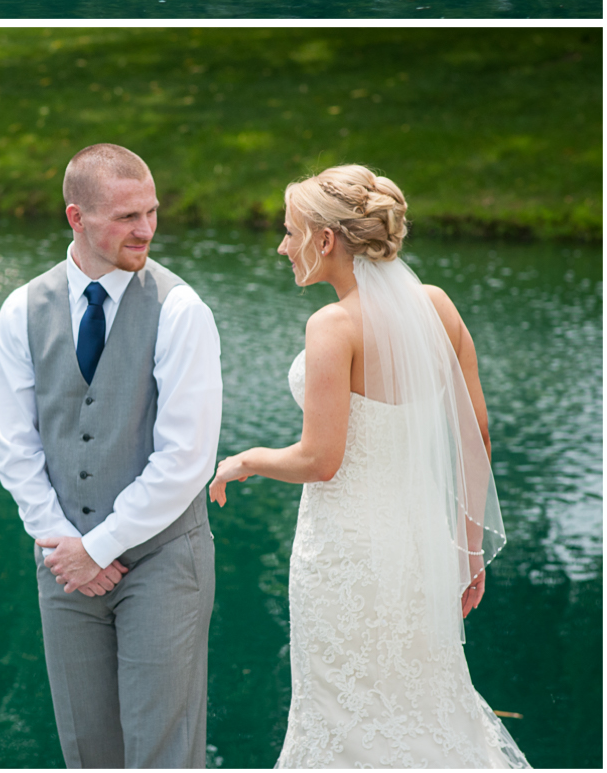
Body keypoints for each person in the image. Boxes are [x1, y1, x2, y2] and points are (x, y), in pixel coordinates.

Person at [210, 165, 526, 769]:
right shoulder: (438, 307)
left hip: (345, 560)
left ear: (326, 240)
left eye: (289, 232)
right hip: (424, 550)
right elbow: (476, 434)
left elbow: (319, 460)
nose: (282, 246)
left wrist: (244, 460)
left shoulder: (333, 325)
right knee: (429, 708)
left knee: (343, 718)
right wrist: (466, 548)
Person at [0, 143, 222, 768]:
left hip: (164, 563)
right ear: (77, 218)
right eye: (125, 216)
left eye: (151, 211)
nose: (145, 229)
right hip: (62, 562)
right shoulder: (20, 311)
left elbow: (186, 459)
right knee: (88, 752)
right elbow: (14, 444)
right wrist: (64, 544)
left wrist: (100, 546)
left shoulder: (180, 310)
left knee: (160, 755)